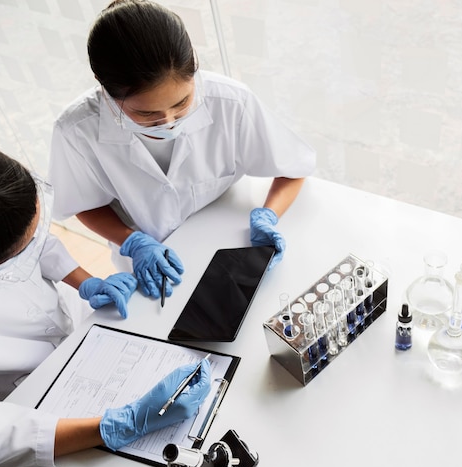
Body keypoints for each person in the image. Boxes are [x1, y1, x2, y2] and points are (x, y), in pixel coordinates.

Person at [0, 132, 211, 467]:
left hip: (81, 340)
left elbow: (35, 242)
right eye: (13, 255)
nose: (29, 248)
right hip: (29, 399)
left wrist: (85, 281)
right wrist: (119, 426)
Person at [48, 0, 316, 302]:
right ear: (103, 87)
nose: (169, 122)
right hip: (155, 266)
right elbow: (82, 202)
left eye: (181, 104)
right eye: (146, 114)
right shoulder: (75, 131)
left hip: (229, 245)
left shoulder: (232, 102)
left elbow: (293, 168)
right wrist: (133, 242)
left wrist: (268, 215)